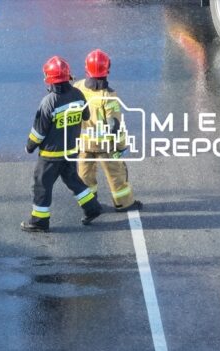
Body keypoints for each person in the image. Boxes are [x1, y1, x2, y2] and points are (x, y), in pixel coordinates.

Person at [22, 56, 102, 233]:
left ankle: (39, 221)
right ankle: (92, 207)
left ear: (49, 80)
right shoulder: (78, 95)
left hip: (51, 156)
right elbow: (86, 116)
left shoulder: (48, 102)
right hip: (71, 152)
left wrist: (29, 146)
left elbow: (39, 132)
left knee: (41, 185)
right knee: (73, 180)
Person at [74, 49, 142, 212]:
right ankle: (124, 203)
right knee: (116, 174)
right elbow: (114, 125)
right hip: (105, 146)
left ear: (86, 69)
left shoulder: (77, 87)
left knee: (85, 176)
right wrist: (121, 146)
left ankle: (89, 204)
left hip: (83, 144)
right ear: (107, 70)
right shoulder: (108, 95)